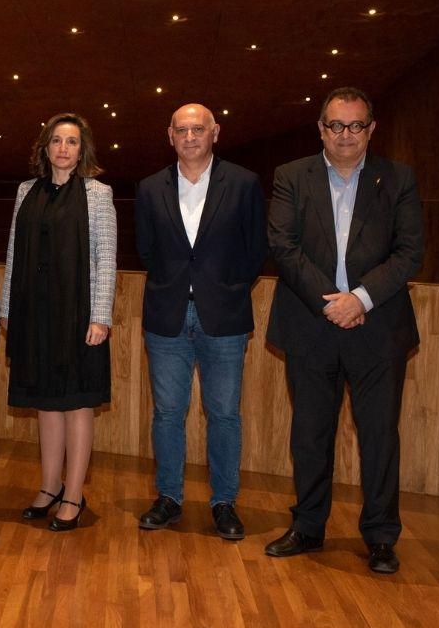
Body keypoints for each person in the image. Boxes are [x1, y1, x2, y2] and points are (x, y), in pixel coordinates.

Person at [263, 87, 423, 575]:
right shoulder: (292, 176)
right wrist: (331, 303)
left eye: (356, 125)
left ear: (371, 129)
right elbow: (282, 245)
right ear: (321, 129)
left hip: (378, 329)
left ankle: (380, 536)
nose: (345, 135)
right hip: (311, 326)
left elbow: (409, 251)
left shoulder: (398, 179)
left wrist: (361, 299)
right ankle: (308, 528)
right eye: (336, 125)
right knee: (310, 435)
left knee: (378, 438)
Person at [134, 104, 267, 540]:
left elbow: (255, 251)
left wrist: (223, 288)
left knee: (225, 414)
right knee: (168, 413)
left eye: (199, 129)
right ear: (169, 135)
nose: (190, 136)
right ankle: (169, 498)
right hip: (166, 316)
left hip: (224, 317)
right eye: (182, 129)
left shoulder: (244, 183)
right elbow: (147, 250)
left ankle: (224, 502)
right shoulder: (150, 188)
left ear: (215, 133)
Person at [0, 113, 116, 532]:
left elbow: (106, 257)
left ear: (82, 150)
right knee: (46, 404)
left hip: (79, 316)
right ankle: (48, 487)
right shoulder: (24, 191)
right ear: (44, 148)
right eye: (56, 141)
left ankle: (72, 493)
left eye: (71, 141)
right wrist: (8, 311)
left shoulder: (98, 194)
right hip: (34, 314)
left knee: (77, 404)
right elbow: (14, 253)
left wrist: (101, 316)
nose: (63, 148)